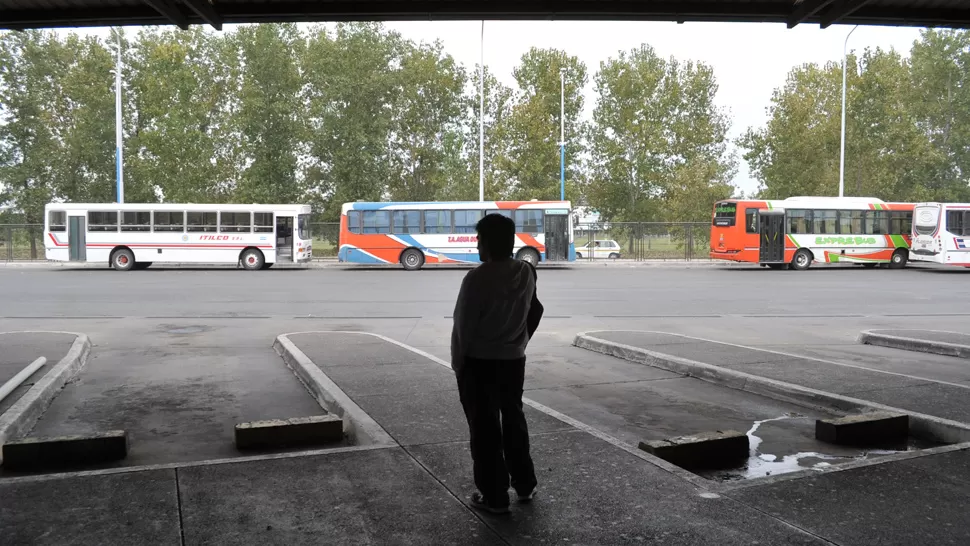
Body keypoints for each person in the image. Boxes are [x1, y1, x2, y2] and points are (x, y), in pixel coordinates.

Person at [451, 213, 543, 515]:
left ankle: (495, 496)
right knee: (514, 419)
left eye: (479, 239)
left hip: (480, 364)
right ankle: (525, 484)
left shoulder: (477, 278)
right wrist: (521, 342)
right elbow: (535, 310)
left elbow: (463, 327)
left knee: (485, 428)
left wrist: (459, 366)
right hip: (514, 362)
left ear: (487, 243)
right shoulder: (527, 271)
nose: (477, 245)